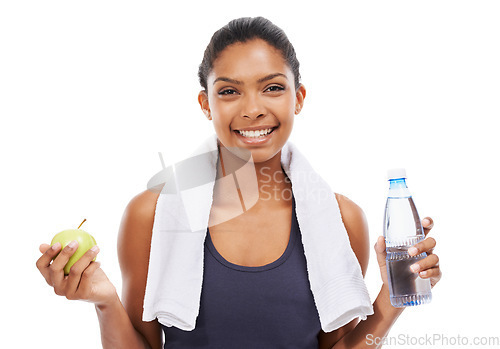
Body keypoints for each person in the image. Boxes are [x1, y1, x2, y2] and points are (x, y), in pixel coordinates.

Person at [36, 17, 442, 348]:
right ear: (205, 103)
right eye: (229, 91)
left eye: (272, 88)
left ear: (298, 98)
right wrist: (105, 303)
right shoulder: (152, 213)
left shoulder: (340, 219)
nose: (252, 109)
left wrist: (392, 299)